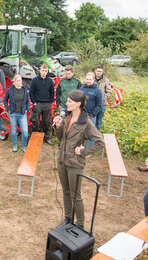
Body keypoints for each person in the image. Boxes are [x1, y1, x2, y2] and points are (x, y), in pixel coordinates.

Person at [53, 90, 105, 228]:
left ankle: (80, 225)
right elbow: (60, 138)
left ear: (78, 104)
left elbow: (100, 142)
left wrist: (83, 151)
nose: (66, 103)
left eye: (70, 101)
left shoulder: (86, 123)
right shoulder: (66, 118)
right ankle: (68, 219)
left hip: (75, 164)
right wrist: (58, 127)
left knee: (76, 195)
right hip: (62, 161)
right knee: (65, 191)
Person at [29, 64, 54, 145]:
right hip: (38, 103)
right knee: (35, 121)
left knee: (46, 122)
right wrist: (34, 103)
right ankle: (34, 138)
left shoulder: (49, 81)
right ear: (40, 71)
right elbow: (31, 92)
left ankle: (46, 137)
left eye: (45, 71)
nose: (44, 72)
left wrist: (50, 102)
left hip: (47, 104)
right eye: (42, 71)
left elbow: (52, 92)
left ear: (47, 72)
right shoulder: (35, 80)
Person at [4, 75, 30, 152]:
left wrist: (27, 109)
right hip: (13, 114)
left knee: (25, 132)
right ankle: (15, 145)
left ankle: (24, 146)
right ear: (14, 81)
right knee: (13, 130)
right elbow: (5, 100)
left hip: (22, 114)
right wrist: (7, 109)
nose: (19, 82)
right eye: (17, 80)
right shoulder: (10, 90)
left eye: (20, 80)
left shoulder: (25, 89)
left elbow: (27, 101)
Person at [94, 65, 111, 131]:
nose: (99, 73)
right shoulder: (91, 79)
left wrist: (103, 99)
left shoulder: (105, 80)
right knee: (93, 121)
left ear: (102, 72)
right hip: (93, 104)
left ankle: (97, 136)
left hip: (102, 104)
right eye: (98, 71)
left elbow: (109, 92)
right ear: (95, 71)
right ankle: (92, 137)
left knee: (98, 121)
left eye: (100, 71)